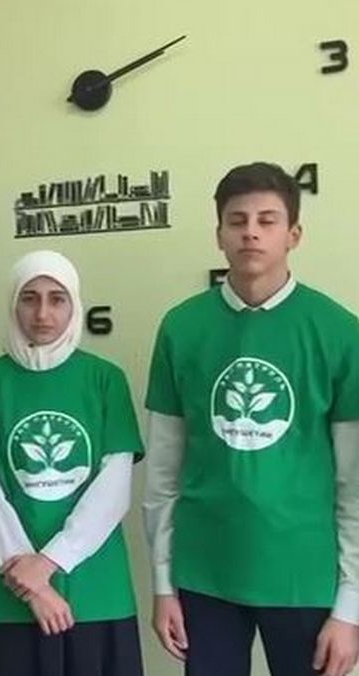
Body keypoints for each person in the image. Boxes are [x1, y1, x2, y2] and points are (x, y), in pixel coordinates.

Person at [144, 162, 359, 676]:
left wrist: (350, 608)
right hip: (204, 574)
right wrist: (163, 584)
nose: (251, 233)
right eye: (237, 221)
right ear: (219, 234)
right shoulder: (181, 328)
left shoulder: (339, 331)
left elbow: (354, 482)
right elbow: (162, 473)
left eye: (267, 220)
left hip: (305, 576)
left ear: (294, 234)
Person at [0, 250, 143, 676]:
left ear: (74, 304)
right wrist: (32, 585)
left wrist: (48, 563)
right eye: (29, 298)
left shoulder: (105, 380)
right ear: (13, 304)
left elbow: (113, 490)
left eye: (57, 299)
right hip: (9, 596)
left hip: (95, 592)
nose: (42, 313)